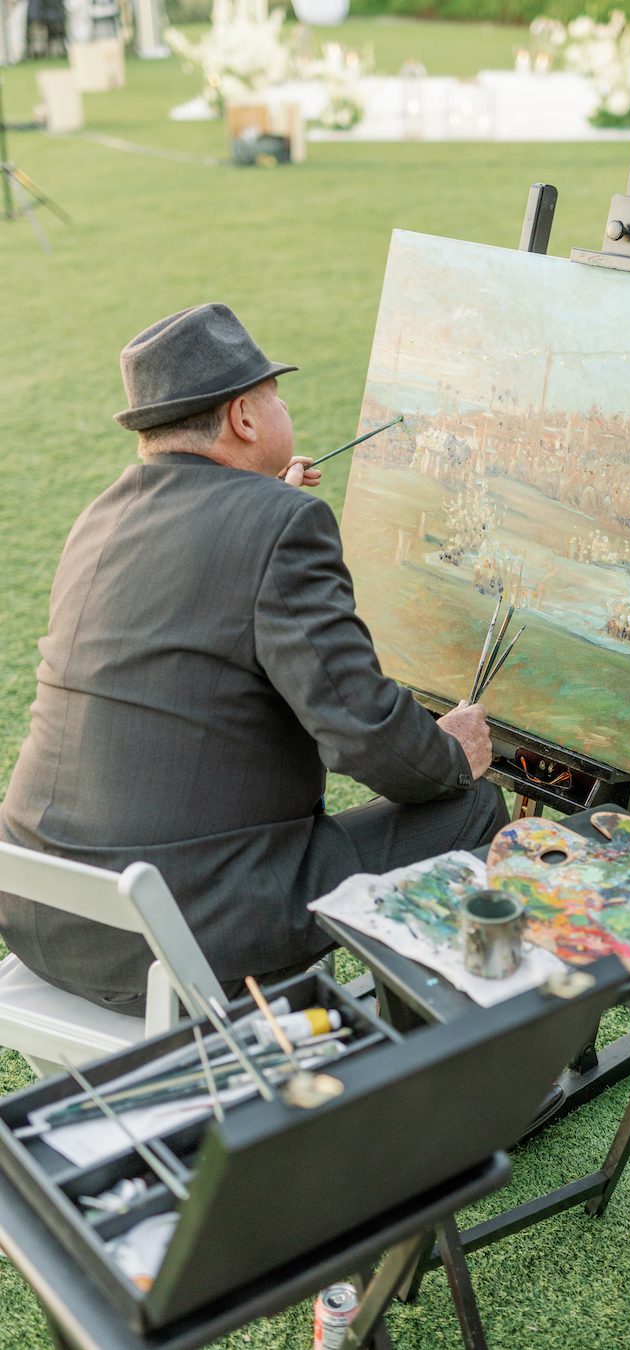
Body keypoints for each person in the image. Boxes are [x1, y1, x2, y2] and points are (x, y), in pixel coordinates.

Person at [0, 303, 507, 1013]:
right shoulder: (282, 526)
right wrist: (450, 754)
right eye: (275, 396)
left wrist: (257, 503)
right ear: (243, 417)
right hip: (171, 931)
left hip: (36, 908)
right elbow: (363, 732)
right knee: (471, 810)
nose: (283, 408)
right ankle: (428, 1078)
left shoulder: (101, 516)